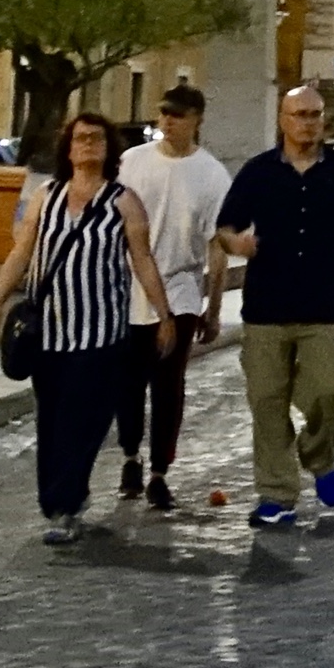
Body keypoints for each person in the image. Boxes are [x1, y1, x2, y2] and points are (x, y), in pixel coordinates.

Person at [213, 82, 334, 529]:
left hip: (322, 307)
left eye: (315, 115)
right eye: (300, 115)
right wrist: (236, 241)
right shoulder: (258, 172)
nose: (309, 123)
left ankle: (320, 458)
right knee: (267, 402)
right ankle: (277, 495)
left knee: (327, 393)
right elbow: (225, 227)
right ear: (283, 120)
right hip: (266, 309)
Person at [0, 108, 146, 548]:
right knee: (53, 422)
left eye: (96, 139)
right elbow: (22, 253)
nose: (88, 146)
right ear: (68, 147)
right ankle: (57, 500)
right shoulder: (46, 196)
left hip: (100, 335)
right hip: (49, 334)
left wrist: (164, 314)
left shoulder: (123, 202)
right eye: (80, 139)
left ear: (109, 148)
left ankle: (66, 504)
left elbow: (142, 260)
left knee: (84, 421)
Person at [120, 82, 235, 512]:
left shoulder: (212, 176)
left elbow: (216, 247)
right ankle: (130, 455)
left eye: (178, 115)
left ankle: (159, 473)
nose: (167, 121)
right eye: (164, 113)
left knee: (168, 387)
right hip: (127, 290)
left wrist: (215, 309)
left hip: (181, 291)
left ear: (196, 120)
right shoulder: (132, 163)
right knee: (127, 385)